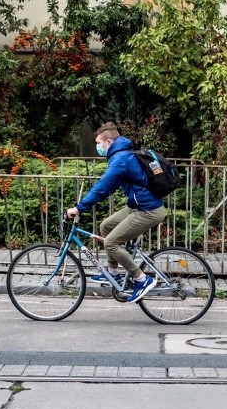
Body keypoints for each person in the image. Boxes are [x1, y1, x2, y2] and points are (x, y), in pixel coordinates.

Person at [66, 122, 167, 303]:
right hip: (138, 206)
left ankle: (141, 279)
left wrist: (79, 207)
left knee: (111, 243)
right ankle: (112, 273)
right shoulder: (121, 156)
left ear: (109, 142)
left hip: (148, 210)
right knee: (106, 226)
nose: (98, 147)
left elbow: (102, 186)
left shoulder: (120, 159)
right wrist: (85, 204)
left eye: (99, 143)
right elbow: (110, 187)